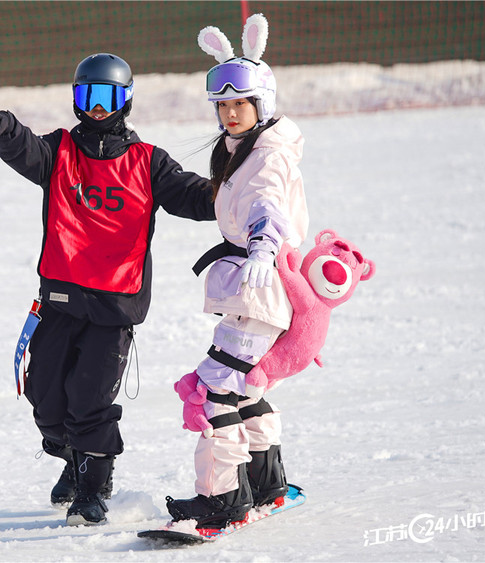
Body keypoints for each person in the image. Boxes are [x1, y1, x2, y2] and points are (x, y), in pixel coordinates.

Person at [0, 53, 215, 526]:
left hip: (115, 304)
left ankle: (92, 488)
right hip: (60, 298)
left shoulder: (148, 161)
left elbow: (192, 195)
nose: (98, 107)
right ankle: (73, 460)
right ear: (76, 99)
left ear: (125, 100)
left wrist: (233, 192)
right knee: (45, 399)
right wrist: (8, 132)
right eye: (89, 96)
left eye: (108, 97)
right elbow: (28, 151)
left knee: (89, 400)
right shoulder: (60, 151)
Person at [165, 14, 309, 528]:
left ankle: (223, 499)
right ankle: (268, 486)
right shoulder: (247, 150)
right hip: (257, 287)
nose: (229, 113)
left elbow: (269, 210)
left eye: (239, 103)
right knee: (245, 386)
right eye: (222, 104)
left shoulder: (266, 157)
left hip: (259, 287)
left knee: (213, 389)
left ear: (261, 103)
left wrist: (262, 250)